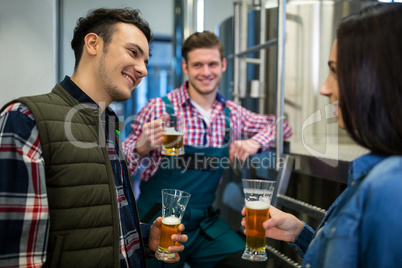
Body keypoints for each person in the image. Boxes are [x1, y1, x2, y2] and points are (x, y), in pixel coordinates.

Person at [0, 8, 188, 268]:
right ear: (93, 44)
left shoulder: (109, 125)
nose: (143, 70)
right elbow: (20, 256)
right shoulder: (26, 117)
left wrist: (145, 237)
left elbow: (95, 217)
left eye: (146, 60)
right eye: (133, 53)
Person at [241, 3, 402, 268]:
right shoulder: (372, 170)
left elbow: (281, 126)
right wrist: (299, 233)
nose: (323, 87)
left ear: (381, 77)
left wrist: (254, 141)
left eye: (336, 71)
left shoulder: (390, 186)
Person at [122, 30, 292, 268]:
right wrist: (141, 148)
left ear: (223, 65)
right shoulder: (158, 108)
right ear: (185, 67)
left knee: (249, 264)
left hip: (204, 226)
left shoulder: (233, 114)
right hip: (158, 223)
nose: (205, 72)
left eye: (212, 64)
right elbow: (117, 168)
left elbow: (282, 127)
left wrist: (255, 142)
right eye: (197, 64)